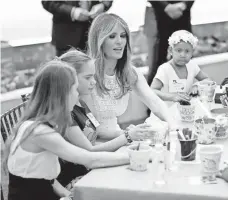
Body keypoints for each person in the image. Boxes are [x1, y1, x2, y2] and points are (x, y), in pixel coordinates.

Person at [5, 60, 131, 200]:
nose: (77, 95)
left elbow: (45, 177)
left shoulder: (36, 124)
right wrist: (132, 158)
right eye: (74, 90)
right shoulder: (42, 133)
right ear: (63, 94)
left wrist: (66, 194)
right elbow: (90, 159)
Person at [56, 49, 152, 190]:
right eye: (88, 77)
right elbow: (90, 152)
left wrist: (128, 132)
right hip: (77, 180)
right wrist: (127, 137)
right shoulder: (65, 113)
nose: (94, 82)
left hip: (93, 169)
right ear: (70, 78)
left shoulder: (79, 103)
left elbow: (98, 130)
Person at [82, 13, 175, 140]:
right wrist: (128, 134)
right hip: (94, 143)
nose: (119, 41)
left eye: (123, 36)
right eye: (112, 36)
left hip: (121, 137)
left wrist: (173, 126)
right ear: (99, 40)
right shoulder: (87, 74)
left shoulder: (130, 72)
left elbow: (156, 102)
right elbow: (92, 128)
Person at [150, 30, 210, 104]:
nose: (183, 55)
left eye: (187, 51)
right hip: (165, 112)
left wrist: (197, 85)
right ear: (170, 50)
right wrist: (172, 97)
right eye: (179, 50)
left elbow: (207, 79)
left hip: (185, 111)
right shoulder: (164, 69)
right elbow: (152, 91)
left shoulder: (192, 66)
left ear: (192, 52)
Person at [146, 1, 195, 85]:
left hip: (182, 14)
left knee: (185, 65)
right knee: (157, 65)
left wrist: (184, 4)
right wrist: (166, 7)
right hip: (158, 14)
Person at [41, 1, 113, 56]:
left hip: (95, 35)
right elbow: (48, 2)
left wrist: (103, 5)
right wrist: (72, 11)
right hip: (66, 36)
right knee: (66, 73)